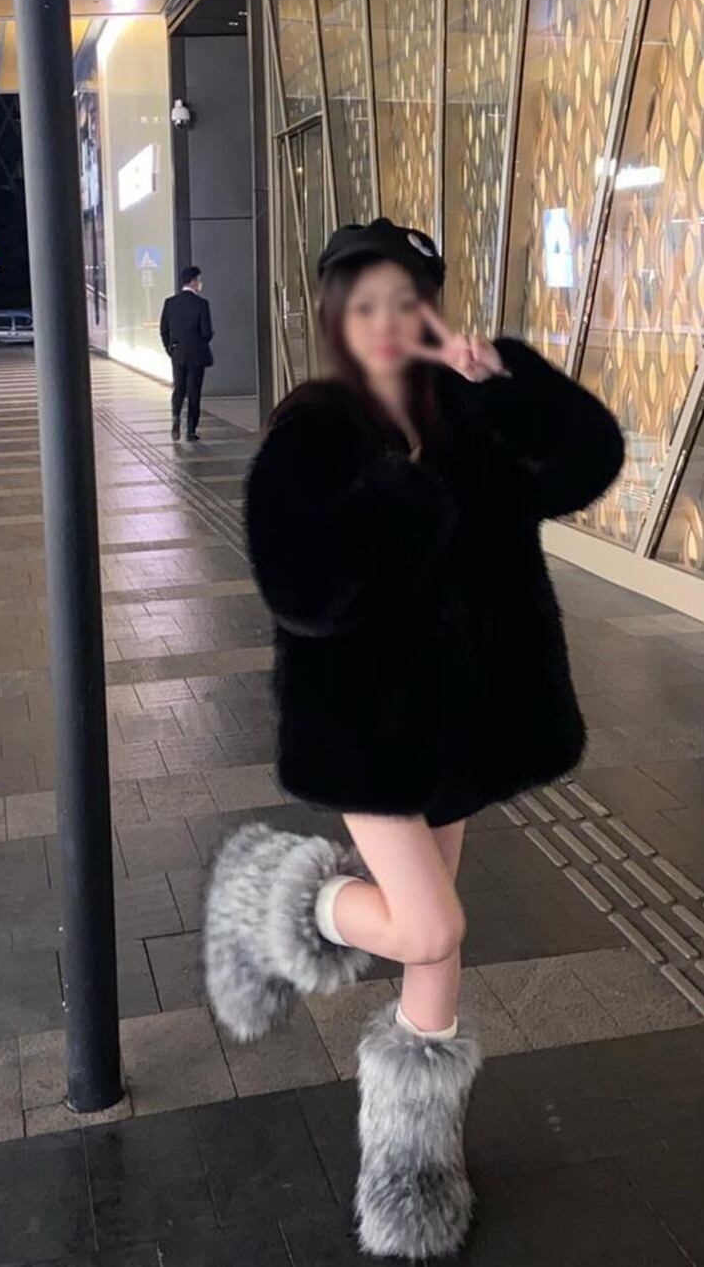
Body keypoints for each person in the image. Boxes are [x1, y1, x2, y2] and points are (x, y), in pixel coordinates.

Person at [203, 218, 623, 1259]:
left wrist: (511, 385)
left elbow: (586, 465)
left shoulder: (466, 413)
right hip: (369, 733)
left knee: (438, 950)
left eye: (405, 301)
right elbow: (302, 592)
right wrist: (407, 496)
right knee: (428, 928)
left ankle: (412, 1173)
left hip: (463, 730)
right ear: (335, 317)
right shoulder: (313, 430)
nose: (387, 321)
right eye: (365, 304)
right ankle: (267, 895)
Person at [159, 265, 213, 441]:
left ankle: (176, 417)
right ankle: (191, 430)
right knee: (194, 392)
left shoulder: (170, 303)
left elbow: (164, 329)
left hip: (178, 353)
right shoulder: (202, 304)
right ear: (194, 281)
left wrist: (170, 348)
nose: (200, 283)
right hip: (197, 354)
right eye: (199, 280)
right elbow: (206, 332)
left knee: (179, 388)